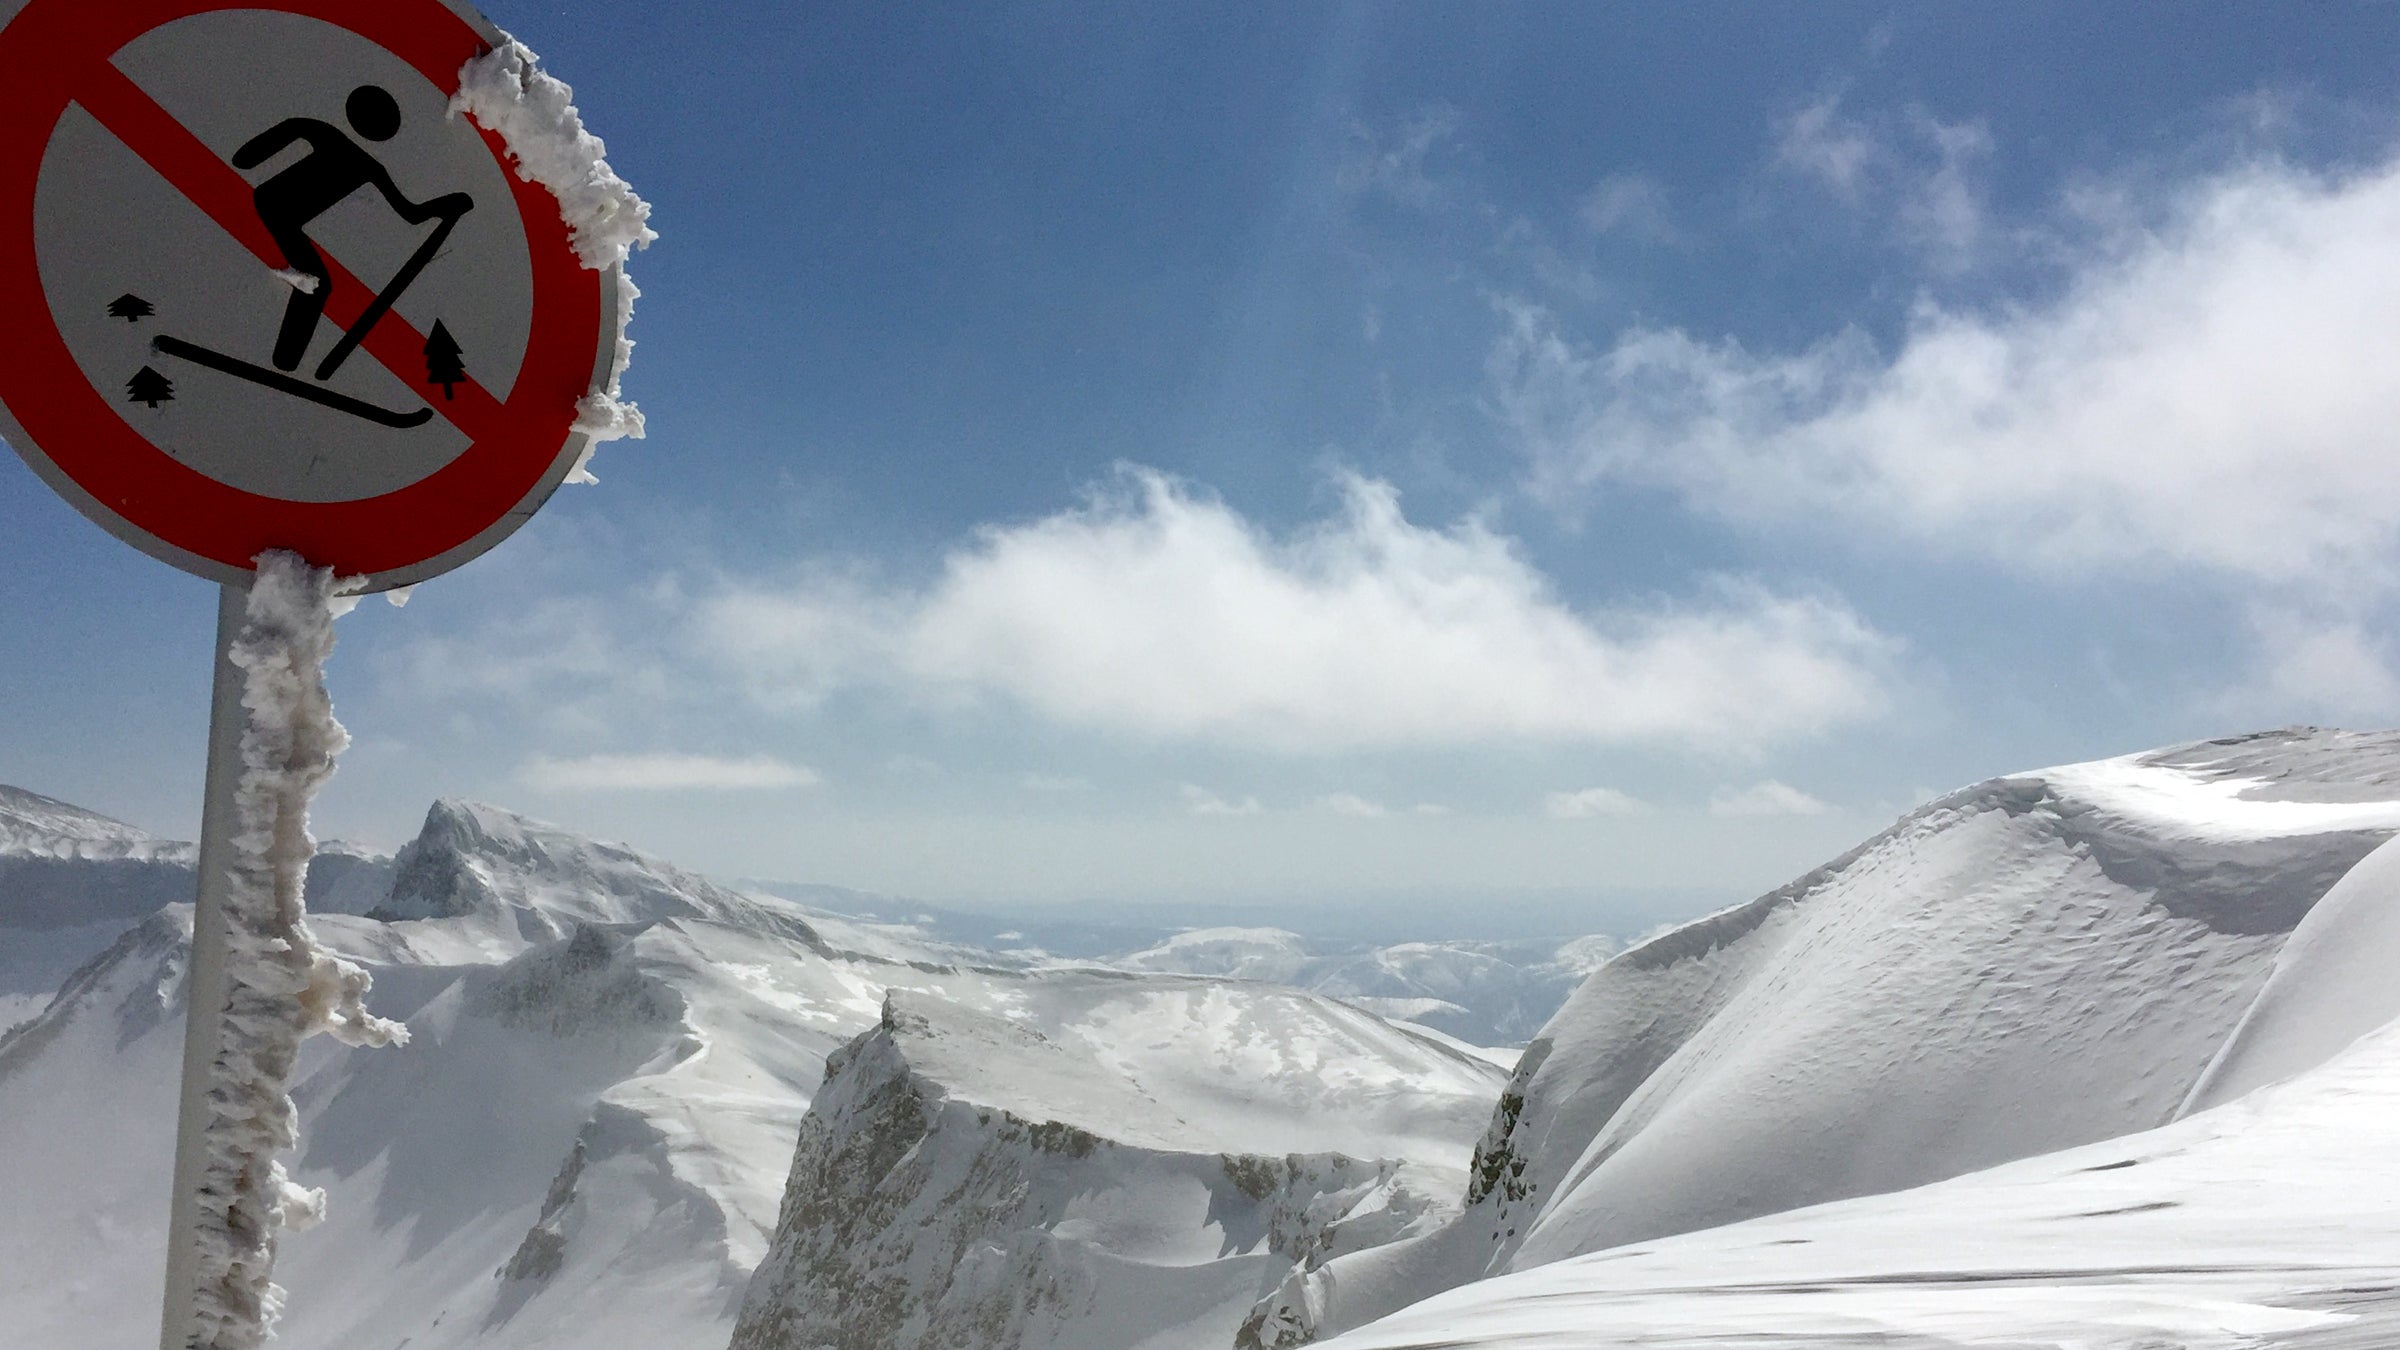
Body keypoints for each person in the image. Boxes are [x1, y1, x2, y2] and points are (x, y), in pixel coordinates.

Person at [232, 85, 470, 372]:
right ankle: (283, 363)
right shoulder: (361, 159)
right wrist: (447, 206)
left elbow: (411, 213)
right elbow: (412, 213)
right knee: (318, 283)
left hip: (276, 208)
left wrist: (448, 206)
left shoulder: (346, 148)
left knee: (318, 282)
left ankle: (285, 362)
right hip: (274, 208)